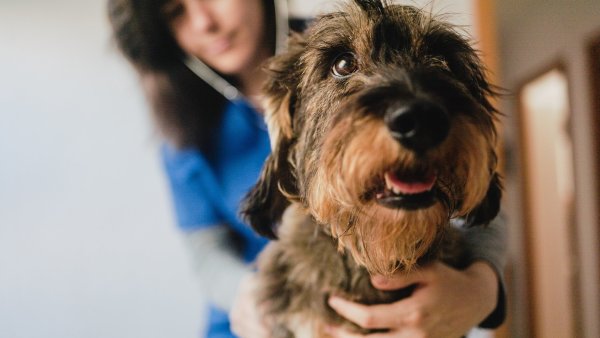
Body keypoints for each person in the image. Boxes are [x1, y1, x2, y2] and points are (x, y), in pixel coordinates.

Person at [107, 0, 507, 337]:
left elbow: (469, 180)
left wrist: (483, 288)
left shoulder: (336, 36)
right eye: (176, 11)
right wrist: (252, 297)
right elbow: (206, 251)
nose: (205, 22)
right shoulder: (184, 126)